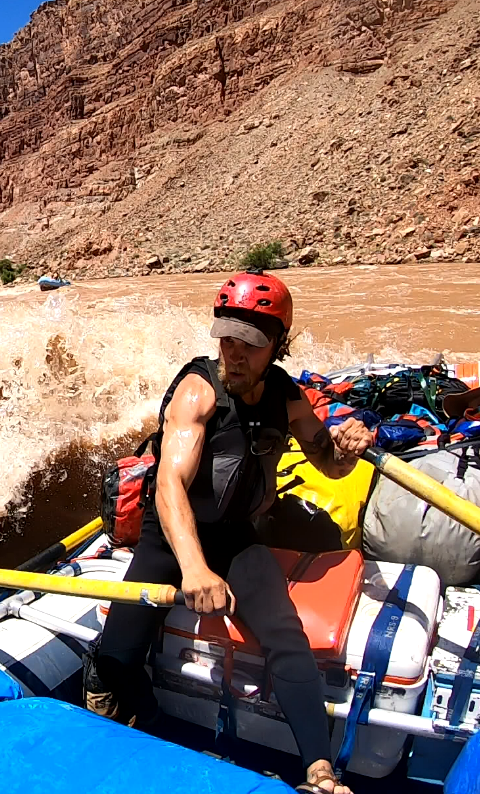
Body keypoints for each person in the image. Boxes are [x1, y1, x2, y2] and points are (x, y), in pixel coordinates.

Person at [94, 271, 375, 794]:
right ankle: (155, 727)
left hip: (239, 536)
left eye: (250, 343)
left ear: (277, 345)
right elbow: (171, 485)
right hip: (171, 536)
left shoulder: (288, 397)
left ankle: (319, 770)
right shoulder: (197, 392)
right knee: (116, 658)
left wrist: (348, 444)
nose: (234, 353)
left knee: (286, 637)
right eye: (226, 336)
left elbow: (330, 464)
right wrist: (195, 569)